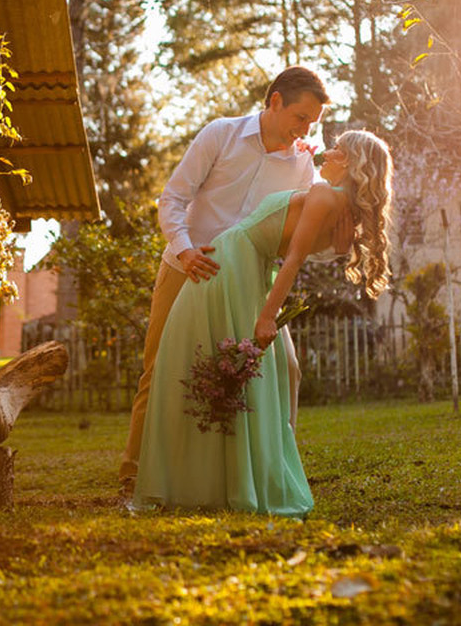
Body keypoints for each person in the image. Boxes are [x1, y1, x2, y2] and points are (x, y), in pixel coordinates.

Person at [132, 130, 393, 514]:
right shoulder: (335, 203)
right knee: (218, 371)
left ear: (352, 162)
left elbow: (294, 258)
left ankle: (226, 482)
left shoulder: (324, 196)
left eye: (338, 148)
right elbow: (294, 252)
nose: (328, 151)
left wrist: (267, 317)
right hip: (233, 264)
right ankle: (222, 481)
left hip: (240, 266)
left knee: (227, 374)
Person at [117, 66, 347, 498]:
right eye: (300, 117)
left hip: (249, 279)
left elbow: (297, 233)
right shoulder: (220, 134)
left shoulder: (301, 163)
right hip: (191, 264)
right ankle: (134, 473)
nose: (305, 129)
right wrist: (185, 250)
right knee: (160, 367)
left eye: (312, 123)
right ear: (274, 101)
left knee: (287, 369)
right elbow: (173, 198)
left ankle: (275, 470)